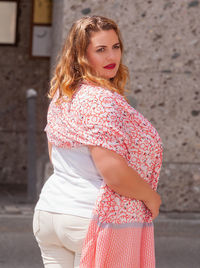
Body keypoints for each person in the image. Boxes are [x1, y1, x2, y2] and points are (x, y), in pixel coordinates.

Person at [33, 15, 163, 268]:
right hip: (90, 218)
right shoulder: (101, 100)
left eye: (115, 47)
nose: (111, 57)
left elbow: (55, 154)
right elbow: (112, 171)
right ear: (81, 55)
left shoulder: (63, 93)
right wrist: (151, 198)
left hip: (50, 212)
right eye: (100, 50)